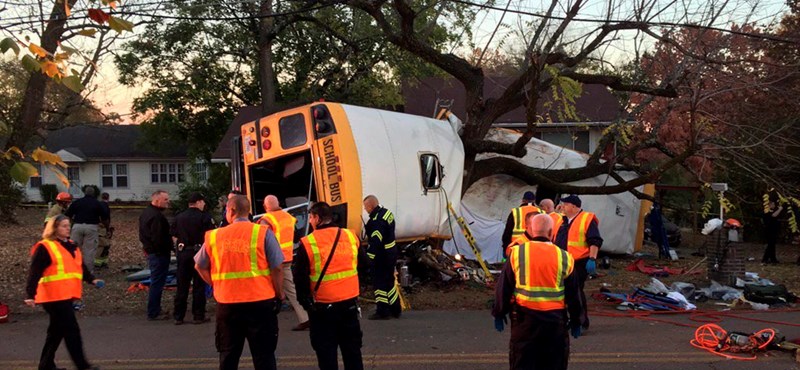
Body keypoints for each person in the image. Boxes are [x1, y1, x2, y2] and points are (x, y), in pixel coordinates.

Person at [195, 195, 284, 370]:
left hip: (227, 304)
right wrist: (279, 293)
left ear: (231, 211)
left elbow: (199, 266)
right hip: (260, 302)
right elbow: (277, 267)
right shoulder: (262, 232)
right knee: (264, 355)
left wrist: (215, 284)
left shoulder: (215, 236)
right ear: (248, 211)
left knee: (228, 355)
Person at [492, 213, 583, 370]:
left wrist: (499, 312)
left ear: (532, 231)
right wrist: (577, 319)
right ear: (551, 232)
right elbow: (574, 294)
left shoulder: (517, 254)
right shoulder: (565, 257)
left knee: (522, 363)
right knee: (553, 364)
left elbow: (504, 287)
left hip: (524, 321)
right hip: (554, 323)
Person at [25, 214, 104, 370]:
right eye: (64, 226)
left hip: (65, 295)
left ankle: (46, 365)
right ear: (54, 228)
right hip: (52, 297)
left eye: (69, 225)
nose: (68, 228)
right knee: (71, 330)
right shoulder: (45, 246)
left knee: (56, 332)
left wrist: (91, 279)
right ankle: (83, 366)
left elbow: (79, 266)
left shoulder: (71, 245)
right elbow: (34, 272)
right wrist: (30, 295)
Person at [294, 202, 363, 370]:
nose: (310, 221)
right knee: (352, 353)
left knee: (327, 356)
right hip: (349, 305)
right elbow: (364, 265)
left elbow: (300, 278)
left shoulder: (308, 243)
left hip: (322, 308)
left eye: (310, 217)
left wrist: (306, 303)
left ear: (317, 218)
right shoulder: (350, 236)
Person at [259, 194, 310, 331]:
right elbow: (297, 237)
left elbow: (262, 240)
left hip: (271, 261)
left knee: (264, 289)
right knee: (291, 290)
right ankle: (305, 317)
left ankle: (264, 320)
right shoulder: (289, 217)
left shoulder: (266, 220)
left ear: (265, 206)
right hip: (286, 258)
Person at [553, 195, 601, 331]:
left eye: (565, 204)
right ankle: (565, 320)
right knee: (562, 292)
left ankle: (581, 322)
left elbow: (595, 240)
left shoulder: (586, 219)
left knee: (576, 291)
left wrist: (592, 259)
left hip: (579, 262)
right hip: (562, 261)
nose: (562, 207)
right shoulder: (561, 220)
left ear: (574, 206)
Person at [171, 192, 215, 325]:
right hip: (199, 253)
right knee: (199, 285)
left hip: (183, 253)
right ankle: (198, 315)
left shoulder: (179, 217)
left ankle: (178, 316)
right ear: (198, 202)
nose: (204, 204)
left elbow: (173, 234)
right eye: (203, 202)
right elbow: (211, 236)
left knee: (182, 286)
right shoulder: (205, 217)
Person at [362, 195, 401, 320]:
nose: (365, 210)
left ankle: (382, 310)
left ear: (370, 206)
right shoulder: (386, 213)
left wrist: (368, 259)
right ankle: (395, 309)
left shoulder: (376, 221)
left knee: (379, 284)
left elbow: (375, 242)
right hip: (391, 253)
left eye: (365, 207)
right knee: (389, 282)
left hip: (381, 256)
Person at [138, 190, 172, 321]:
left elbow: (143, 235)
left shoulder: (146, 213)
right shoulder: (157, 216)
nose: (168, 202)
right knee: (157, 282)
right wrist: (164, 249)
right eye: (166, 199)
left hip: (152, 252)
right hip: (159, 254)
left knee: (156, 281)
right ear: (157, 200)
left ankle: (155, 309)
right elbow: (158, 237)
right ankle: (154, 311)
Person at [65, 186, 110, 274]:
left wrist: (71, 225)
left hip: (77, 226)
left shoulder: (77, 202)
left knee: (74, 248)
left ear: (84, 193)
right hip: (91, 227)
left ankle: (72, 270)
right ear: (94, 194)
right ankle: (88, 272)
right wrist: (107, 228)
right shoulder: (97, 203)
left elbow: (68, 215)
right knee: (89, 250)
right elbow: (104, 218)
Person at [94, 193, 114, 269]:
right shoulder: (105, 206)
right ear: (108, 198)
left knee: (105, 246)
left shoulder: (98, 204)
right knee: (102, 246)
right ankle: (97, 264)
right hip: (102, 228)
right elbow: (105, 219)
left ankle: (103, 262)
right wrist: (108, 229)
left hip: (99, 227)